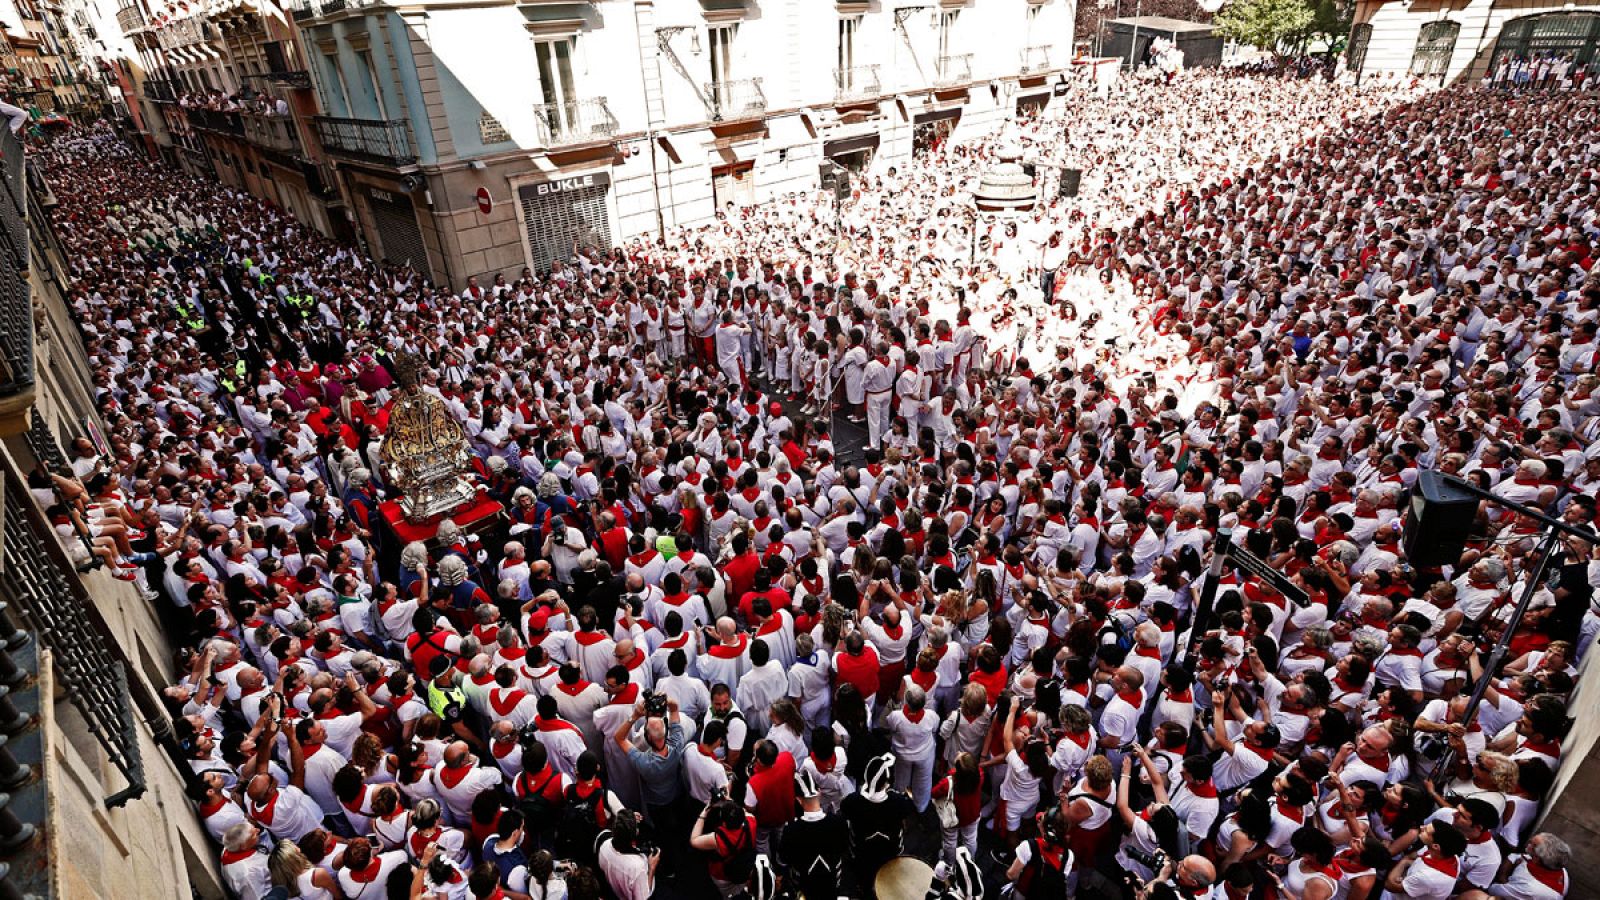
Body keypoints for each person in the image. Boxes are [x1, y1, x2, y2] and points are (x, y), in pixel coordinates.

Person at [778, 769, 849, 900]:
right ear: (819, 792)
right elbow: (844, 849)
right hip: (833, 884)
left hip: (805, 888)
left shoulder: (791, 829)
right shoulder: (838, 822)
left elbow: (784, 859)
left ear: (798, 800)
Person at [596, 809, 660, 900]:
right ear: (636, 834)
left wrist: (627, 821)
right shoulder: (637, 867)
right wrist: (652, 868)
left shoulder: (602, 843)